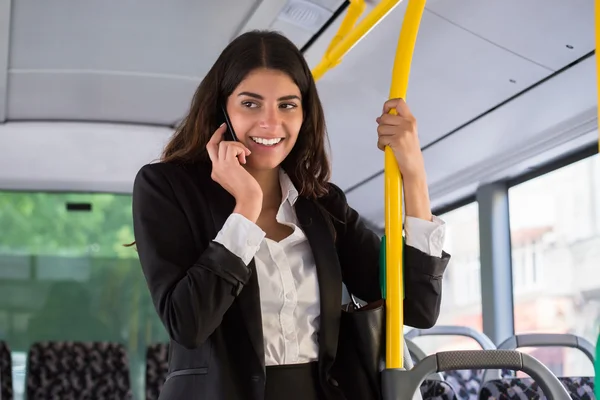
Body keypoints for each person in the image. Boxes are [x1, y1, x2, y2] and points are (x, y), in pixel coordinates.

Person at [132, 30, 450, 400]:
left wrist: (413, 174)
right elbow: (187, 323)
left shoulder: (321, 203)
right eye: (250, 104)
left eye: (287, 105)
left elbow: (418, 307)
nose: (270, 123)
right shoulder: (167, 188)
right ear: (222, 109)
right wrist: (246, 209)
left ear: (305, 114)